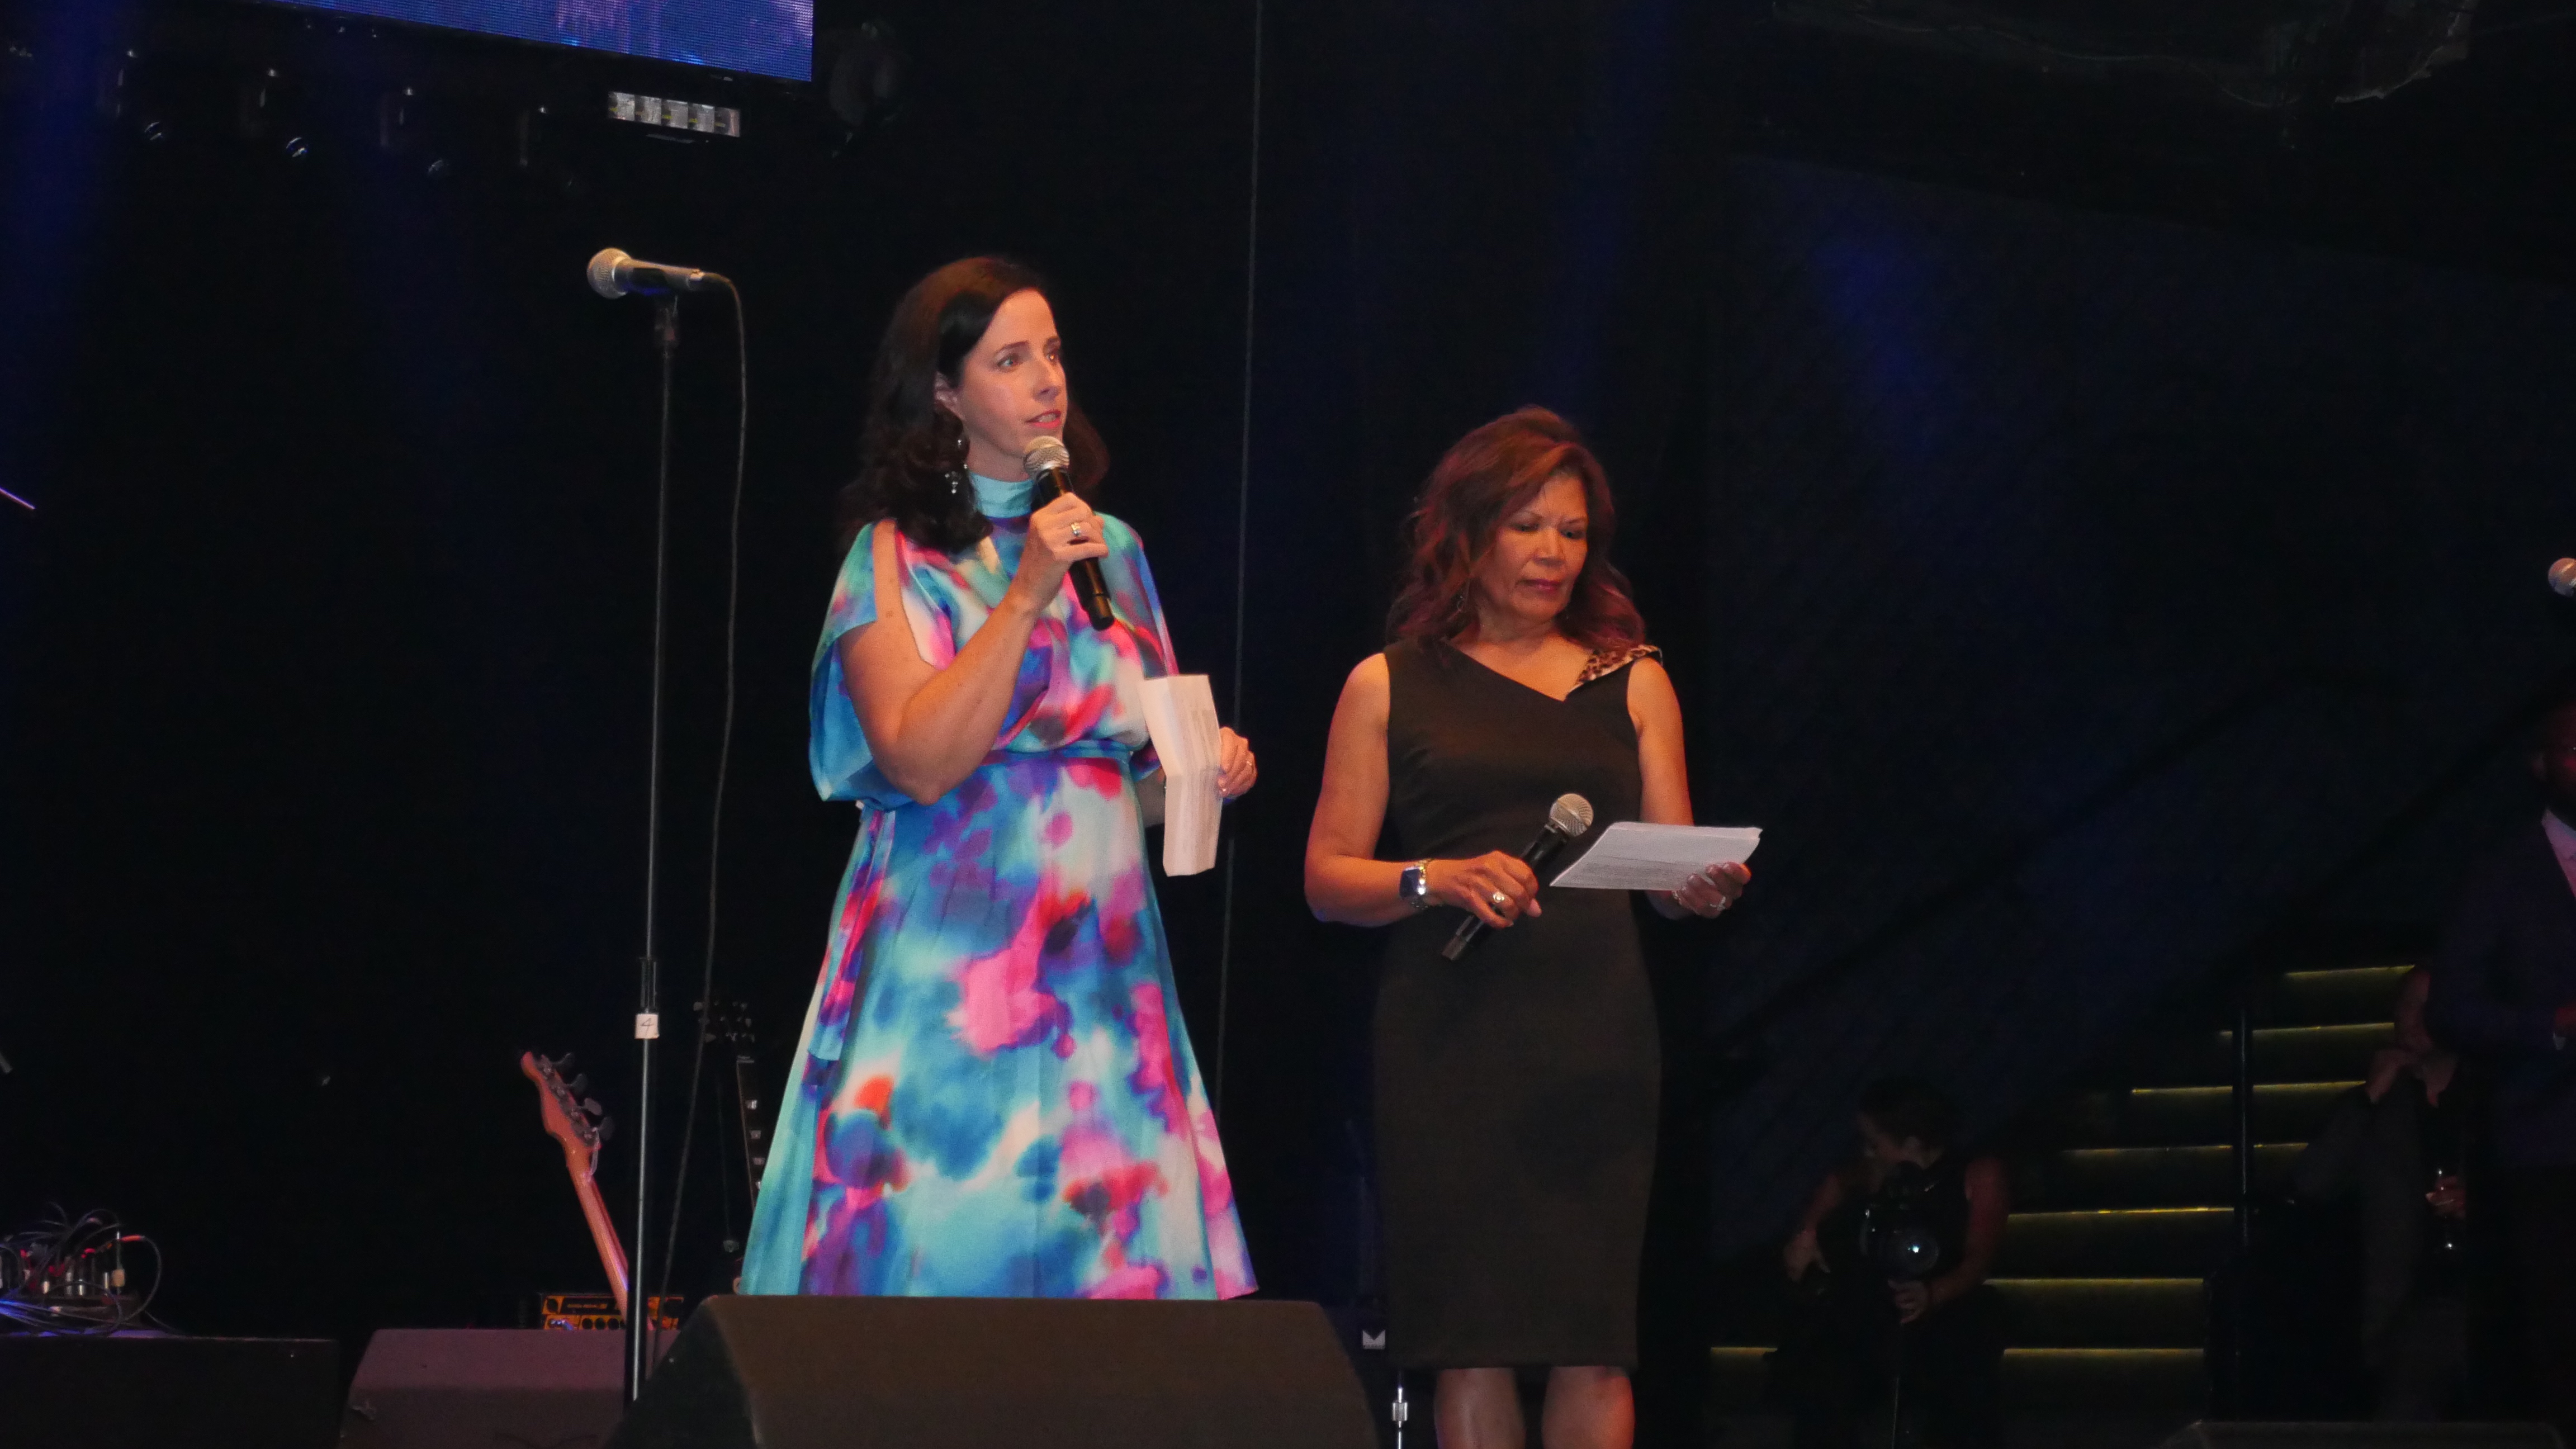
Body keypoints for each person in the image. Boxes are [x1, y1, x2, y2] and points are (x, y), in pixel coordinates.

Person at [740, 257, 1259, 1300]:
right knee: (940, 1257)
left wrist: (1201, 776)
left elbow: (1120, 782)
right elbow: (920, 759)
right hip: (953, 967)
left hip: (1100, 967)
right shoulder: (893, 555)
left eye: (1053, 354)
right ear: (944, 391)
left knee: (1107, 1276)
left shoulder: (1114, 549)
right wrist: (1025, 593)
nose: (1046, 380)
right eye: (1010, 359)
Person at [1304, 406, 1750, 1449]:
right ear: (1468, 531)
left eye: (1574, 531)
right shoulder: (1388, 682)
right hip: (1448, 1037)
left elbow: (1666, 867)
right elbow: (1327, 880)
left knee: (1593, 1338)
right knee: (1474, 1339)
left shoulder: (1631, 677)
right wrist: (1435, 877)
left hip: (1595, 1037)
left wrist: (1698, 888)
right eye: (1529, 526)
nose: (1554, 552)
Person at [2426, 686, 2576, 1438]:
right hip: (2550, 1139)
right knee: (2561, 1335)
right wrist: (2551, 1026)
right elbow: (2451, 1007)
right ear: (2541, 764)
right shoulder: (2501, 874)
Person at [1773, 1077, 2007, 1449]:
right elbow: (1837, 1181)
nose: (1867, 1151)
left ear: (1911, 1143)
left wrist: (1932, 1294)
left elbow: (1979, 1258)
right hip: (1878, 1307)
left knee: (1969, 1354)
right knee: (1824, 1364)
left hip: (1946, 1305)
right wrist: (1809, 1230)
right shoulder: (1879, 1171)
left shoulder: (1978, 1173)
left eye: (1874, 1142)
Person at [2288, 967, 2469, 1420]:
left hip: (2497, 1295)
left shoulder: (2492, 1095)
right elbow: (2311, 1184)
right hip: (2410, 1308)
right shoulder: (2381, 1108)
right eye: (2410, 1005)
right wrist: (2370, 1094)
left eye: (2433, 1005)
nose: (2420, 1018)